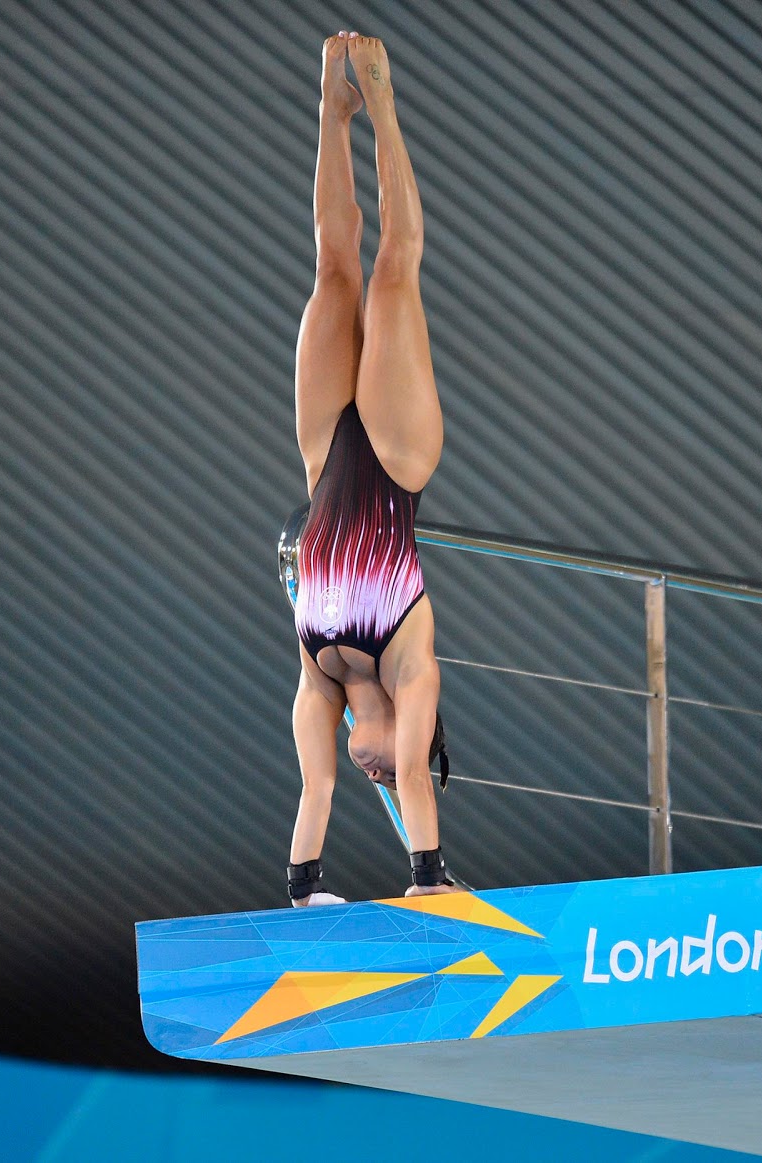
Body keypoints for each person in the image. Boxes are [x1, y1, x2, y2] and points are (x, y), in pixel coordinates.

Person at [282, 32, 458, 906]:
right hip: (394, 460)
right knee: (394, 273)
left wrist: (307, 887)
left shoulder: (320, 675)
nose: (373, 776)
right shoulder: (411, 665)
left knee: (332, 265)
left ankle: (331, 104)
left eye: (374, 777)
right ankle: (383, 106)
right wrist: (427, 881)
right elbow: (418, 787)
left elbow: (313, 790)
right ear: (414, 744)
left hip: (323, 457)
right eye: (388, 773)